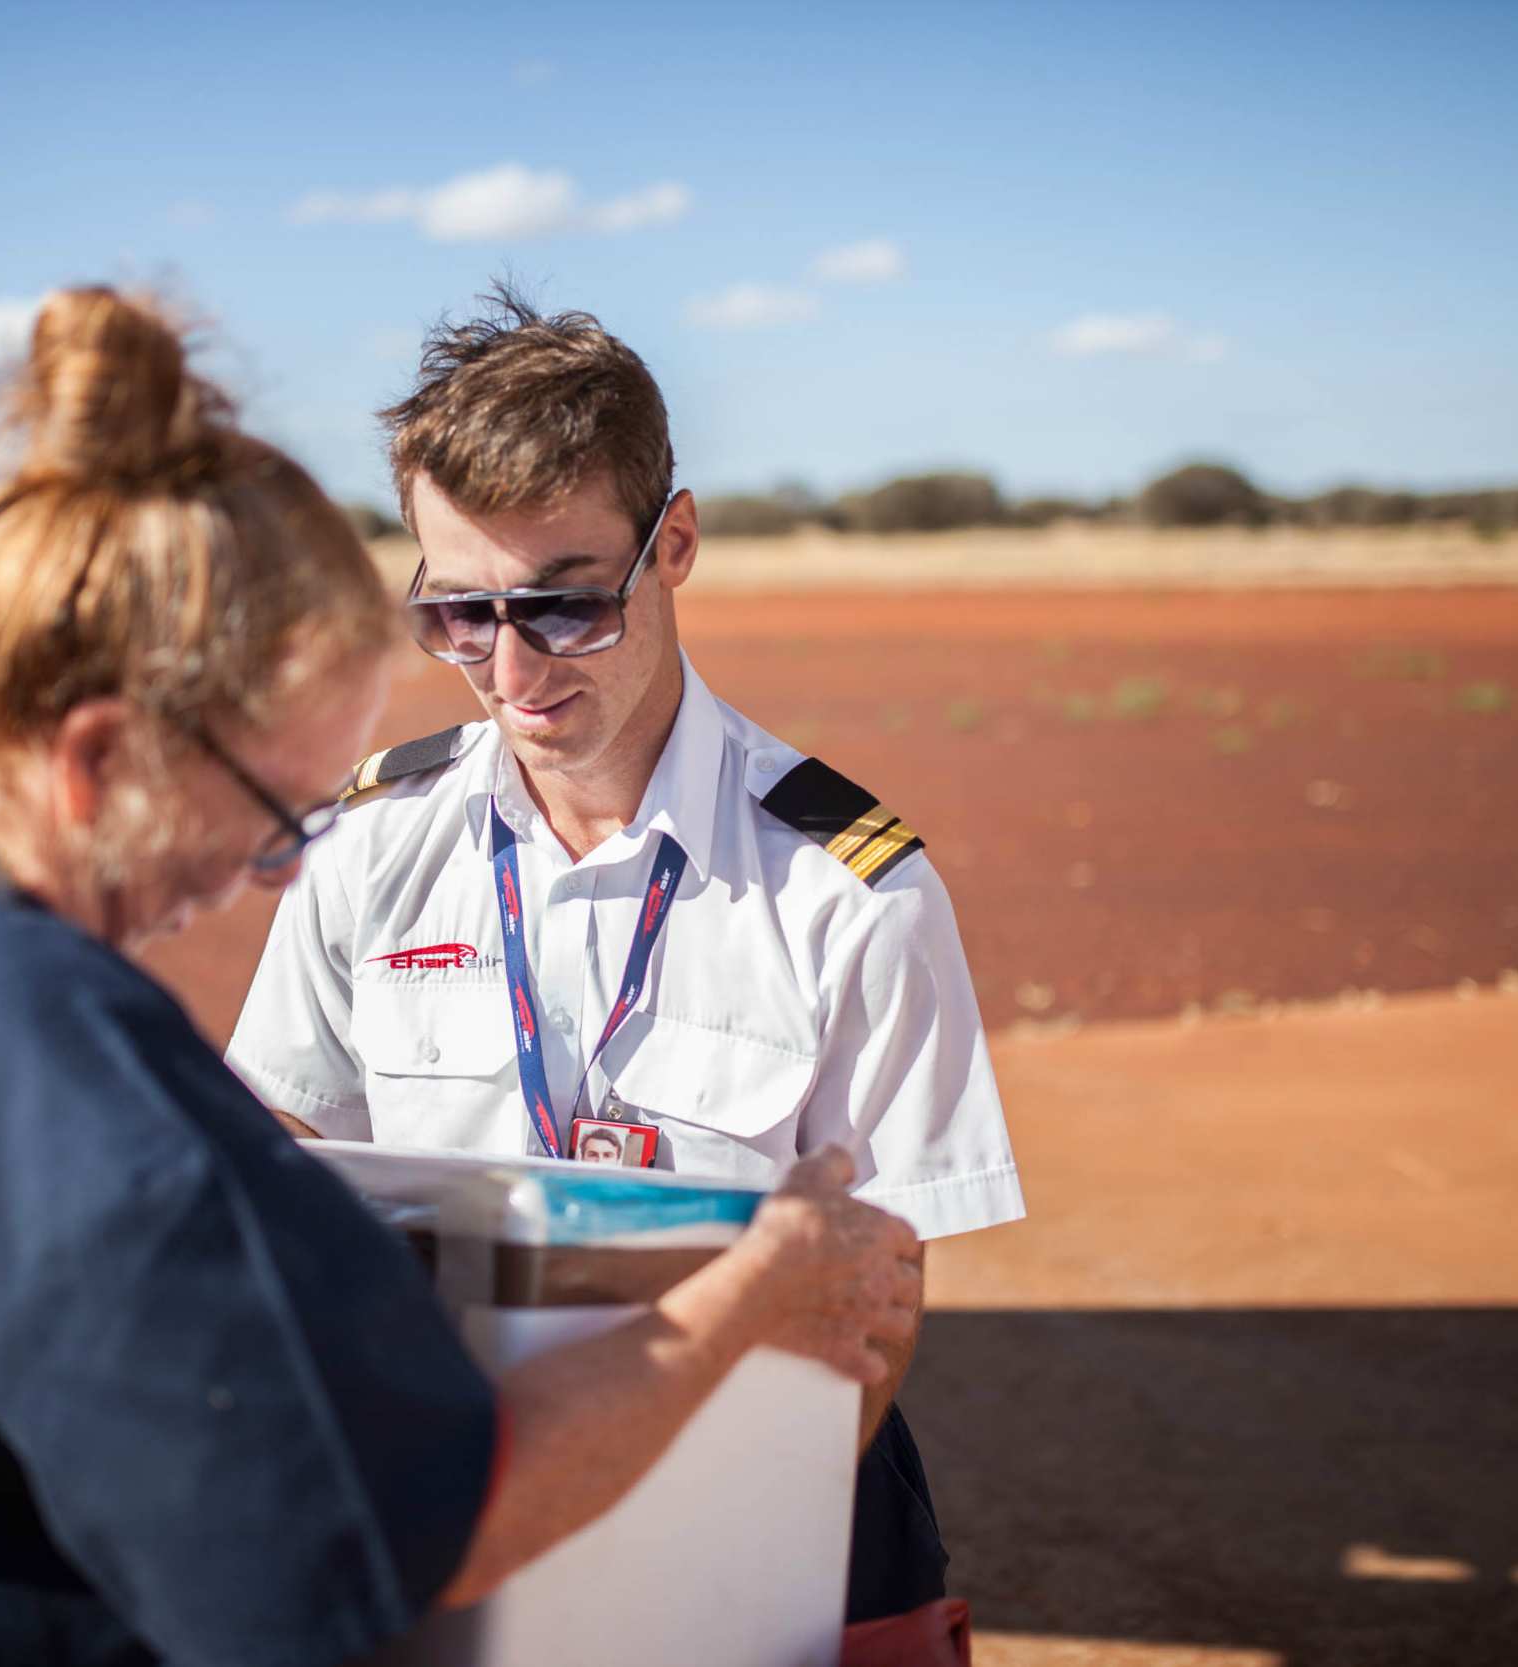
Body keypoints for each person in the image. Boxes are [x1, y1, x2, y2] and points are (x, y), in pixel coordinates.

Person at [0, 287, 925, 1667]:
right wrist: (755, 1289)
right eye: (272, 818)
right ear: (99, 758)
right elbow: (384, 1542)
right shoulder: (29, 1042)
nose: (268, 875)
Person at [226, 285, 1026, 1626]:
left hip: (758, 1512)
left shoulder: (848, 892)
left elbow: (879, 1305)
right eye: (460, 614)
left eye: (565, 607)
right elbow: (285, 1150)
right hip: (452, 1500)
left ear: (677, 544)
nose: (511, 672)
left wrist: (669, 1542)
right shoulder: (369, 846)